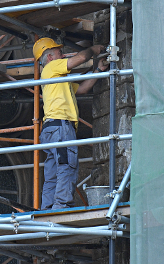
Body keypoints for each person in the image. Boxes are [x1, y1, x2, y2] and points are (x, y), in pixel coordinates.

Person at [32, 37, 110, 210]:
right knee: (67, 166)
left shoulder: (57, 78)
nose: (64, 54)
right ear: (50, 57)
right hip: (61, 126)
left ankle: (49, 208)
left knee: (53, 172)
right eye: (60, 52)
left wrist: (97, 70)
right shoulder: (52, 68)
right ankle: (61, 207)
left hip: (51, 129)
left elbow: (82, 89)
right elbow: (81, 58)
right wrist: (94, 49)